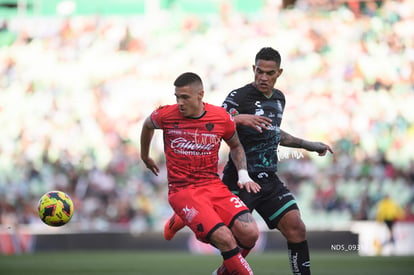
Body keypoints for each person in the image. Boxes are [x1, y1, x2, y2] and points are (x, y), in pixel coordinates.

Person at [164, 47, 333, 275]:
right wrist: (239, 118)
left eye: (269, 73)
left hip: (268, 178)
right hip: (241, 178)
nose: (263, 77)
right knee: (240, 237)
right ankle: (183, 216)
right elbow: (213, 123)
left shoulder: (279, 98)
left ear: (279, 73)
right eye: (259, 71)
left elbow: (273, 133)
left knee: (296, 228)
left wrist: (307, 144)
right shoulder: (239, 97)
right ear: (253, 69)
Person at [140, 72, 262, 275]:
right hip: (182, 191)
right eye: (177, 96)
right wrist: (145, 156)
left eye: (185, 97)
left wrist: (243, 174)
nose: (179, 102)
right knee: (225, 238)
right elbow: (146, 125)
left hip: (213, 186)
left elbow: (236, 146)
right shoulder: (165, 115)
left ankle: (218, 270)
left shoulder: (221, 117)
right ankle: (183, 215)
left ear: (200, 95)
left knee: (250, 235)